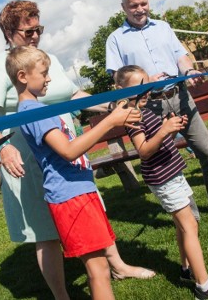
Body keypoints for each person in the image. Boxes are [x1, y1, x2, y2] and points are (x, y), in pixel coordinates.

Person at [0, 0, 155, 299]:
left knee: (90, 209)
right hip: (25, 159)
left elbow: (74, 95)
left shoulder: (46, 60)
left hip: (67, 152)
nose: (35, 36)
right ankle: (62, 295)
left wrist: (113, 105)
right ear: (9, 31)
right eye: (28, 31)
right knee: (45, 232)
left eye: (39, 29)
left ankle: (117, 266)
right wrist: (2, 146)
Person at [7, 46, 142, 299]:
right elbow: (68, 151)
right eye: (44, 73)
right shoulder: (33, 112)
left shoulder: (37, 108)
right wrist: (111, 121)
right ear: (23, 76)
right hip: (71, 197)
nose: (49, 78)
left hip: (79, 191)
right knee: (99, 269)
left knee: (99, 265)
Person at [105, 0, 208, 216]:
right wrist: (146, 80)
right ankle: (185, 211)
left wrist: (188, 71)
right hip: (148, 106)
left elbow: (181, 57)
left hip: (180, 97)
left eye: (144, 3)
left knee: (207, 150)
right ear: (124, 8)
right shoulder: (115, 39)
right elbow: (117, 76)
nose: (140, 9)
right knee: (164, 159)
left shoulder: (163, 27)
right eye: (134, 5)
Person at [115, 65, 208, 299]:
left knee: (186, 224)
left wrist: (171, 129)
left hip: (172, 172)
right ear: (121, 91)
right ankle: (205, 287)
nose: (146, 93)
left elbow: (159, 140)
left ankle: (186, 270)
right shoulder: (131, 117)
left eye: (147, 86)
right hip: (163, 178)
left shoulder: (144, 110)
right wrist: (164, 131)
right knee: (190, 225)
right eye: (139, 88)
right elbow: (143, 150)